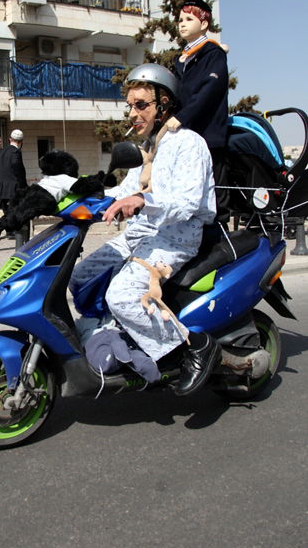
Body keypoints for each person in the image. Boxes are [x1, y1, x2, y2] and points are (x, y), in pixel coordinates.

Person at [69, 63, 221, 397]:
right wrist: (73, 201)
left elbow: (186, 204)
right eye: (131, 106)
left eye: (141, 105)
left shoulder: (189, 144)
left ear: (164, 104)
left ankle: (193, 347)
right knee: (81, 278)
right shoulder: (151, 149)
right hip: (141, 235)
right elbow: (122, 193)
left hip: (175, 238)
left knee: (121, 295)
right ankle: (120, 329)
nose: (133, 113)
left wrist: (142, 201)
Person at [172, 0, 230, 223]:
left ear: (204, 24)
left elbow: (210, 90)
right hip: (188, 136)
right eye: (180, 19)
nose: (182, 23)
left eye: (188, 18)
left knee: (215, 186)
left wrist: (182, 117)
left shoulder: (213, 54)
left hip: (209, 134)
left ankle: (220, 232)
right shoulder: (182, 59)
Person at [0, 129, 28, 249]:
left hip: (1, 189)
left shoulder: (1, 152)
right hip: (13, 190)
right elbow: (18, 171)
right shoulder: (15, 152)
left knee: (9, 215)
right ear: (21, 141)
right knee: (15, 215)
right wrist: (24, 187)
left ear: (9, 139)